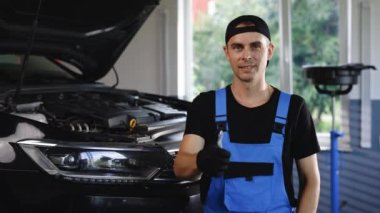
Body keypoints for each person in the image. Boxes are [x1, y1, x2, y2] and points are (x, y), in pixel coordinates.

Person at [173, 15, 320, 213]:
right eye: (237, 47)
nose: (246, 55)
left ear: (269, 51)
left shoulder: (294, 108)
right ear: (227, 52)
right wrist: (200, 160)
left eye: (255, 46)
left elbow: (311, 180)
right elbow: (181, 167)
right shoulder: (206, 105)